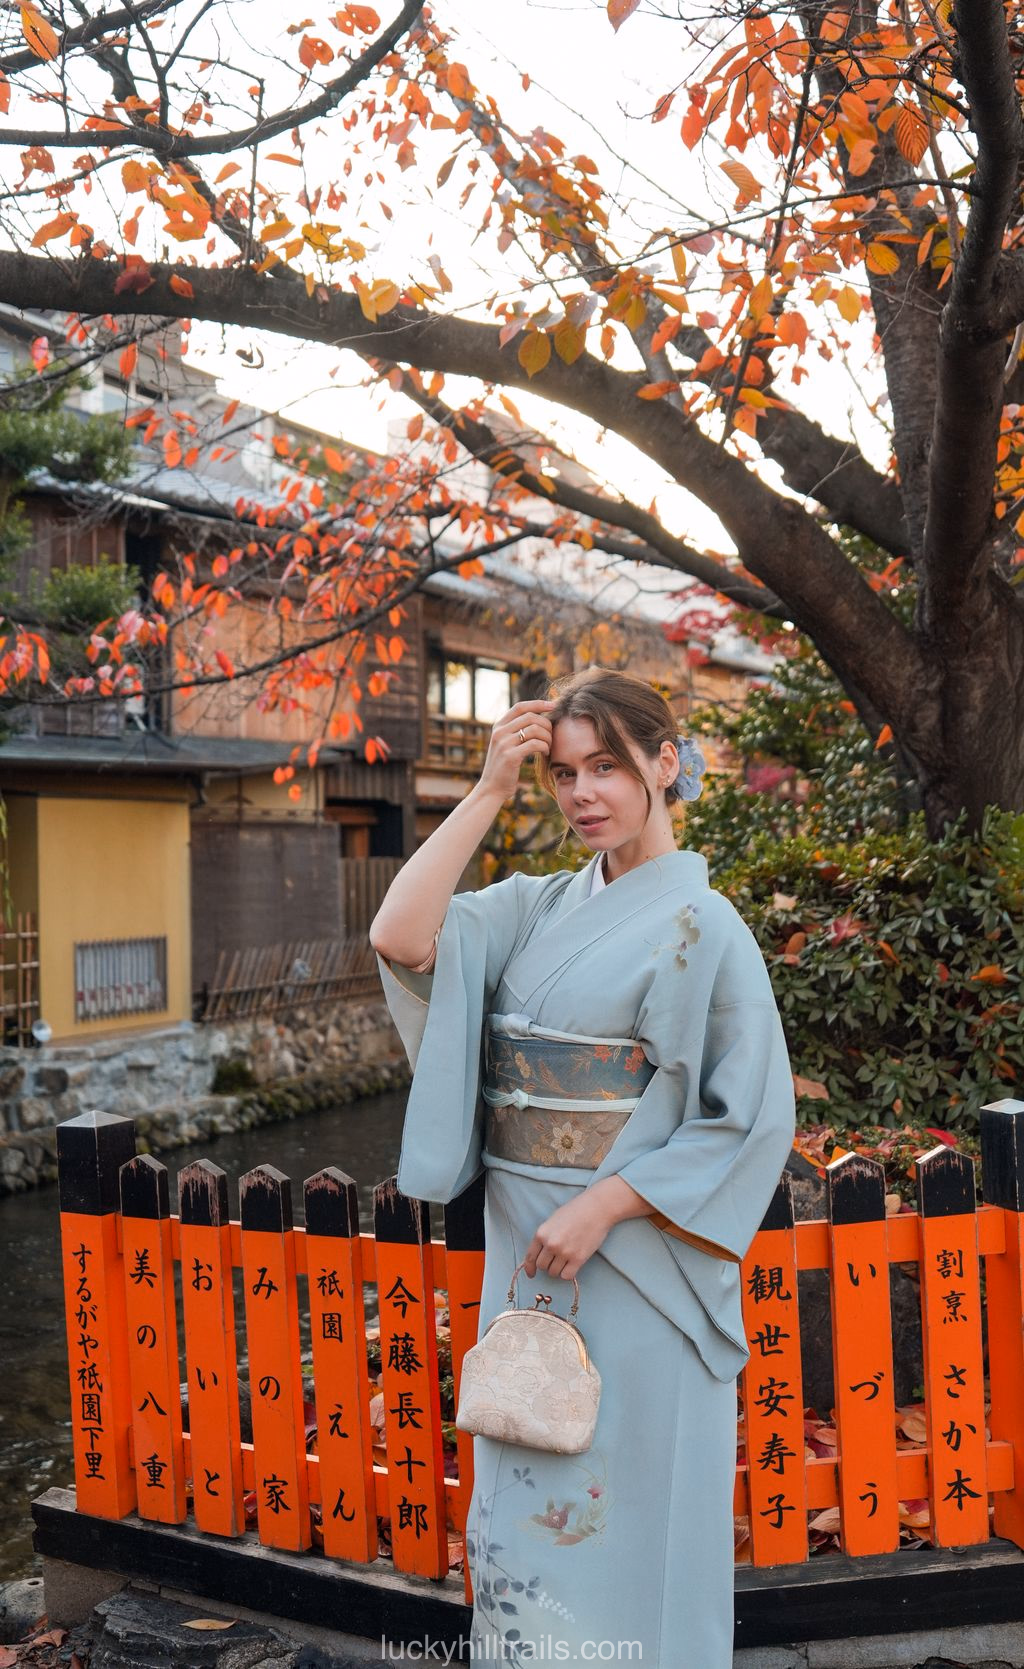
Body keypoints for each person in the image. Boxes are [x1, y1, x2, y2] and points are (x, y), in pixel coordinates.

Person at [369, 667, 795, 1668]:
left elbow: (750, 1116)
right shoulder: (536, 907)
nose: (581, 794)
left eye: (606, 765)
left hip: (640, 1256)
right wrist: (483, 790)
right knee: (525, 1489)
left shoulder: (708, 927)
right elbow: (399, 936)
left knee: (634, 1502)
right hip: (527, 1249)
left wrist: (605, 1202)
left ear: (665, 762)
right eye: (562, 773)